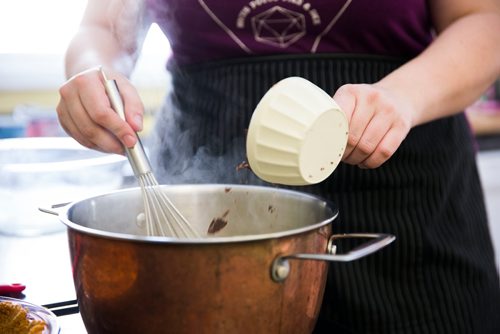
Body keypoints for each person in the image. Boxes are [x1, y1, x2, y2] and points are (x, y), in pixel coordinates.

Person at [56, 0, 500, 333]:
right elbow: (105, 29)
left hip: (406, 196)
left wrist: (404, 97)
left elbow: (482, 18)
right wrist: (95, 75)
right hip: (206, 185)